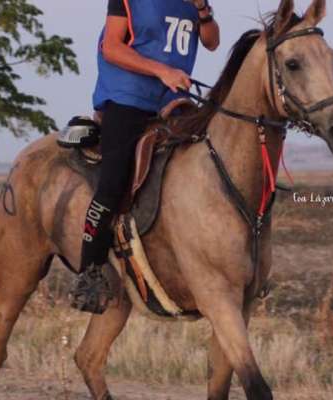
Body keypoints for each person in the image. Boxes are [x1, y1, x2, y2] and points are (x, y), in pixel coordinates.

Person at [71, 0, 220, 313]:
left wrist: (204, 10)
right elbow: (111, 47)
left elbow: (211, 41)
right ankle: (90, 271)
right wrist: (162, 70)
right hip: (128, 98)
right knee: (113, 182)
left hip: (174, 101)